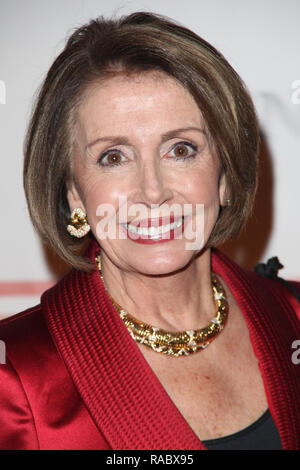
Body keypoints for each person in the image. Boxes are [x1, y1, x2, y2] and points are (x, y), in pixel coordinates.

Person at [0, 12, 299, 451]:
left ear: (225, 176)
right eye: (113, 157)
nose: (152, 192)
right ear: (74, 193)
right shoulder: (15, 377)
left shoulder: (292, 316)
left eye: (181, 149)